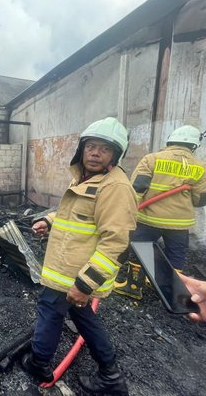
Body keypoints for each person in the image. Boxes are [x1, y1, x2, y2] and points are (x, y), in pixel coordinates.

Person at [21, 117, 137, 396]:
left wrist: (85, 285)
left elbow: (116, 243)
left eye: (104, 149)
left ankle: (39, 363)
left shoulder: (115, 187)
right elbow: (74, 216)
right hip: (68, 270)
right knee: (83, 317)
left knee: (49, 310)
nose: (95, 153)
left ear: (115, 155)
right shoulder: (87, 179)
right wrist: (49, 221)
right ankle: (111, 375)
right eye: (91, 146)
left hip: (75, 275)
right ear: (82, 149)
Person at [115, 125, 206, 300]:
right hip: (180, 224)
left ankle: (133, 287)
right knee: (176, 255)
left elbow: (137, 188)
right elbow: (200, 200)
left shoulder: (152, 159)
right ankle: (171, 291)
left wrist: (129, 211)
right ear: (194, 146)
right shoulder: (201, 167)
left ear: (170, 140)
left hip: (149, 218)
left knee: (140, 249)